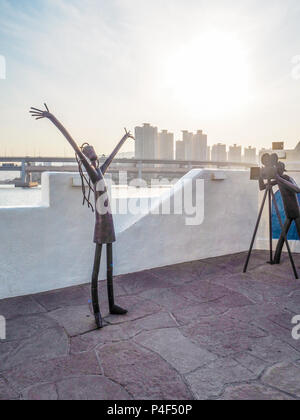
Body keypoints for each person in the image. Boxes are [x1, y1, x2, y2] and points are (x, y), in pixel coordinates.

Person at [30, 104, 134, 328]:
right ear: (86, 157)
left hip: (110, 221)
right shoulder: (90, 170)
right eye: (89, 153)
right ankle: (97, 311)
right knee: (97, 269)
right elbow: (73, 145)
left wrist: (124, 138)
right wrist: (53, 117)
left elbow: (112, 157)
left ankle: (112, 304)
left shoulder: (100, 171)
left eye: (92, 153)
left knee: (110, 267)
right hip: (101, 225)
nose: (92, 154)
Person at [273, 161, 300, 264]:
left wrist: (279, 179)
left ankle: (276, 259)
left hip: (296, 213)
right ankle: (276, 259)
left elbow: (297, 189)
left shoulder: (286, 178)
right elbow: (263, 187)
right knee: (282, 236)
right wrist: (260, 178)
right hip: (289, 213)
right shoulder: (279, 180)